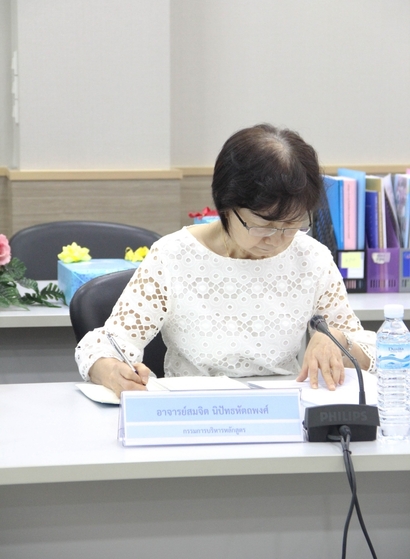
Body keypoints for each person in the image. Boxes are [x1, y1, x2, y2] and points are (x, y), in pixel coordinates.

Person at [75, 123, 375, 397]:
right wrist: (111, 371)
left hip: (281, 411)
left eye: (291, 225)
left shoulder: (311, 258)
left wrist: (339, 341)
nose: (277, 239)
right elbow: (103, 345)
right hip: (193, 411)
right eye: (263, 225)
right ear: (227, 205)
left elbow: (374, 351)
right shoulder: (173, 256)